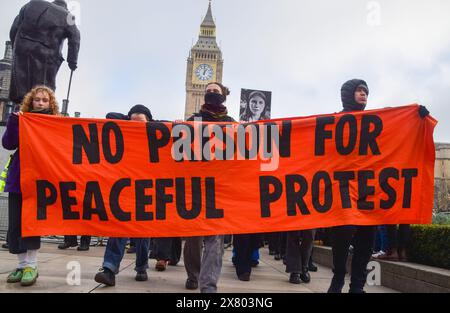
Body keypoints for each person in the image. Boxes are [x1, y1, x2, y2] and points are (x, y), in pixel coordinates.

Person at [3, 86, 60, 286]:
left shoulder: (56, 123)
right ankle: (20, 265)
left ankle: (32, 265)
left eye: (45, 100)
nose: (41, 103)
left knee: (31, 223)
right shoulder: (20, 119)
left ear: (50, 103)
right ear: (31, 101)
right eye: (37, 100)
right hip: (19, 178)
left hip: (40, 181)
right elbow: (8, 144)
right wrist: (13, 121)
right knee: (16, 224)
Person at [94, 104, 153, 287]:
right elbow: (110, 115)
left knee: (143, 234)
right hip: (125, 191)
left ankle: (141, 266)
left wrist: (149, 125)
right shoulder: (122, 135)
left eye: (141, 123)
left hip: (148, 191)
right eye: (132, 122)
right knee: (119, 228)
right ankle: (109, 268)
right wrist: (131, 122)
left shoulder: (154, 136)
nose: (136, 126)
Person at [183, 82, 235, 293]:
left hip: (221, 188)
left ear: (223, 96)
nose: (212, 93)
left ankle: (209, 285)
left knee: (216, 238)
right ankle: (193, 275)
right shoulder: (192, 121)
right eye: (209, 91)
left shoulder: (232, 124)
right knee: (194, 237)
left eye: (216, 91)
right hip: (195, 187)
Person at [327, 79, 377, 294]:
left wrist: (415, 118)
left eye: (366, 91)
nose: (363, 94)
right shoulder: (334, 121)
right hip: (343, 190)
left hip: (367, 190)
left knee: (367, 241)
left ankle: (357, 285)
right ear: (348, 94)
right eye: (359, 90)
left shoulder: (375, 122)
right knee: (342, 237)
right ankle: (338, 278)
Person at [9, 0, 80, 105]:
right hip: (48, 54)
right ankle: (37, 115)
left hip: (22, 47)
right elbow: (75, 38)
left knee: (21, 84)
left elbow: (14, 28)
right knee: (43, 89)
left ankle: (19, 110)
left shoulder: (31, 4)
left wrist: (16, 45)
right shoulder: (68, 16)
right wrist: (72, 62)